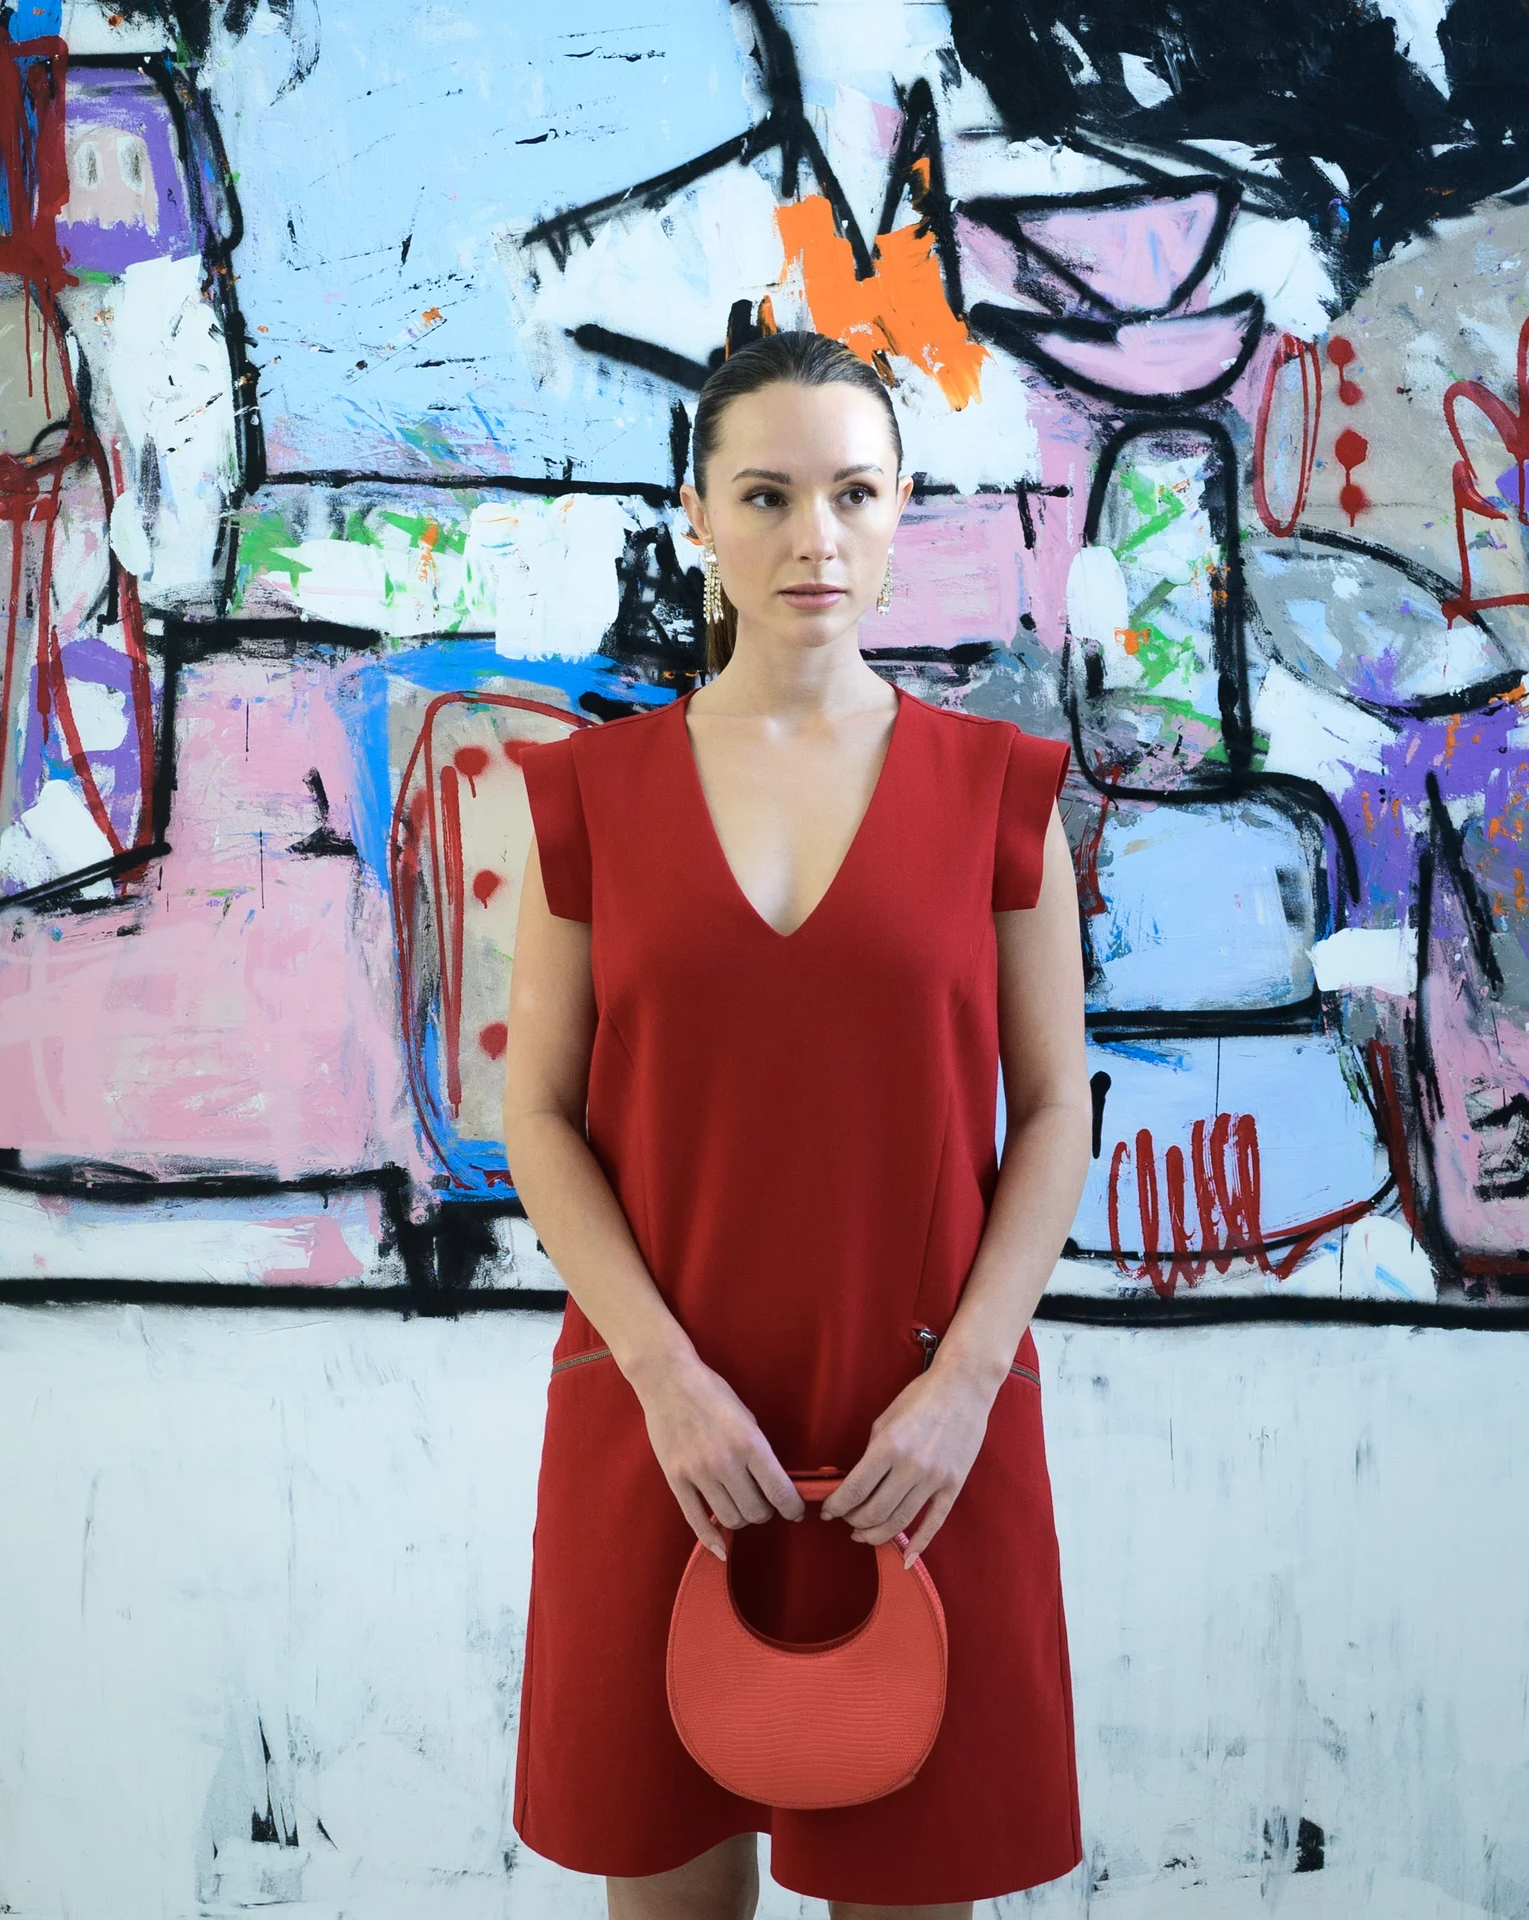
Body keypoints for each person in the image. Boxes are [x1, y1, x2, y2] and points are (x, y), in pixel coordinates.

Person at [502, 328, 1092, 1919]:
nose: (813, 538)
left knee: (910, 1883)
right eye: (766, 496)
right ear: (699, 515)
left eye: (854, 493)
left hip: (924, 1430)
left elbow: (1055, 1110)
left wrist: (967, 1386)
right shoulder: (589, 797)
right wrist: (665, 1379)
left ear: (902, 509)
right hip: (665, 1418)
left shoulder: (1002, 792)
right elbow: (537, 1116)